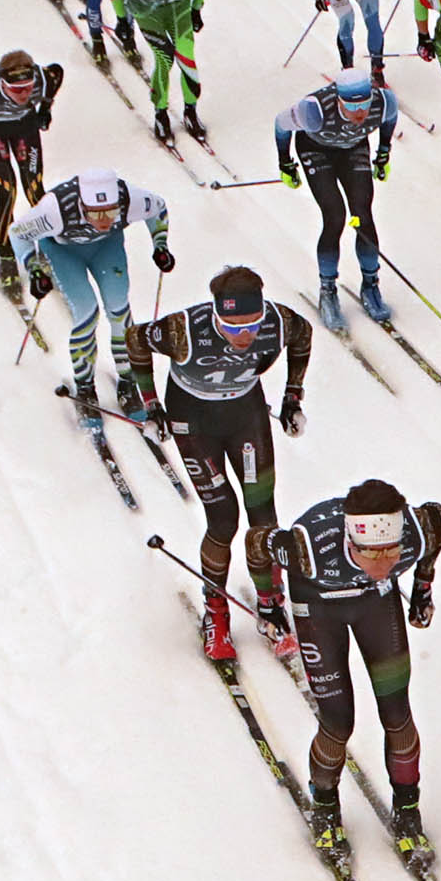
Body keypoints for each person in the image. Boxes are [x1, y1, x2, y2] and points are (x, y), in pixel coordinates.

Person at [268, 478, 441, 859]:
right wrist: (270, 601)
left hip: (374, 604)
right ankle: (325, 808)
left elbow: (438, 520)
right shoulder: (306, 548)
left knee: (397, 713)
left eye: (392, 554)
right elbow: (258, 543)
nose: (385, 563)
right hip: (318, 607)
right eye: (374, 556)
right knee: (337, 722)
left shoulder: (416, 532)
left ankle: (407, 809)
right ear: (351, 544)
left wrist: (423, 585)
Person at [147, 266, 315, 666]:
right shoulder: (183, 329)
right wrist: (152, 405)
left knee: (263, 515)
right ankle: (216, 612)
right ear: (215, 315)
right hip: (194, 421)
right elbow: (135, 341)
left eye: (252, 324)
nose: (244, 335)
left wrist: (293, 396)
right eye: (231, 325)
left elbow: (303, 335)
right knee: (223, 518)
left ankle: (271, 604)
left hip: (245, 414)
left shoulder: (278, 321)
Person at [9, 168, 171, 418]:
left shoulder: (129, 198)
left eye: (111, 211)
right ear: (81, 205)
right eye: (96, 213)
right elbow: (18, 233)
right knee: (86, 312)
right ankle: (85, 386)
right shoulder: (56, 209)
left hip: (107, 248)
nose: (104, 220)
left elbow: (158, 208)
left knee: (119, 308)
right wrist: (34, 270)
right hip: (64, 253)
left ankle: (127, 381)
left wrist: (160, 245)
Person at [274, 68, 400, 329]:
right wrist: (285, 162)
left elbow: (389, 119)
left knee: (362, 214)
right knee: (335, 217)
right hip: (315, 149)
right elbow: (281, 123)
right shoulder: (314, 110)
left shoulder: (385, 101)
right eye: (352, 107)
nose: (360, 114)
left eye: (364, 105)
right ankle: (328, 291)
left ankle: (371, 285)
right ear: (339, 100)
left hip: (353, 147)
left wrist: (384, 152)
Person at [0, 48, 60, 283]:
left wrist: (45, 109)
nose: (24, 94)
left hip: (24, 128)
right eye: (16, 89)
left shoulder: (43, 78)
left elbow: (57, 73)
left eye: (28, 86)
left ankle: (51, 246)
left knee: (35, 189)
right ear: (2, 83)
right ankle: (6, 255)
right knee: (7, 191)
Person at [121, 0, 209, 142]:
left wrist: (196, 8)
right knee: (165, 58)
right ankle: (160, 113)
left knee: (187, 57)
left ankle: (191, 111)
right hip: (148, 13)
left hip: (178, 9)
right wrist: (122, 20)